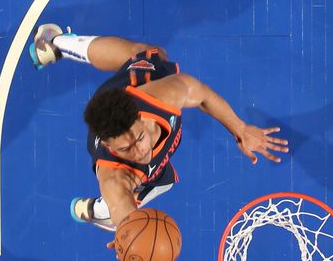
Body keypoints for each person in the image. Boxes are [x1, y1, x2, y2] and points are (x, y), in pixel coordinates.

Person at [28, 24, 288, 233]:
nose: (140, 150)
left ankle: (57, 43)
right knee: (148, 190)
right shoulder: (114, 177)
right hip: (130, 180)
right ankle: (98, 212)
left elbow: (203, 95)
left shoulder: (162, 97)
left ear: (141, 116)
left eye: (139, 137)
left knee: (150, 53)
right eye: (126, 148)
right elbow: (125, 212)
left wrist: (240, 130)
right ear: (109, 146)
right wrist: (129, 240)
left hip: (118, 95)